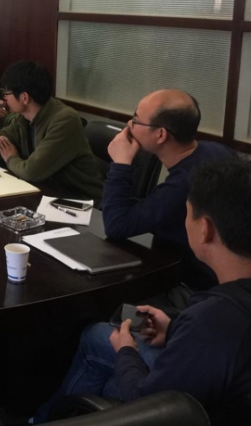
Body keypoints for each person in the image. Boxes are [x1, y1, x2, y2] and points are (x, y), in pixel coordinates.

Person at [27, 159, 251, 424]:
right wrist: (174, 329)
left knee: (107, 358)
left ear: (205, 229)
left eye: (187, 213)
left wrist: (126, 350)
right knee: (99, 337)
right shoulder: (221, 312)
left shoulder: (213, 320)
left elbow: (151, 406)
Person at [103, 90, 234, 294]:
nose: (129, 125)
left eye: (135, 120)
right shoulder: (215, 150)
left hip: (192, 287)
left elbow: (116, 226)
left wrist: (120, 164)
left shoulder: (183, 185)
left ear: (161, 135)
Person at [0, 60, 103, 203]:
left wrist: (11, 158)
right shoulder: (23, 118)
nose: (4, 100)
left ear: (24, 98)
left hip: (80, 202)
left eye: (6, 94)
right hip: (45, 194)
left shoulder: (64, 120)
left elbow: (30, 172)